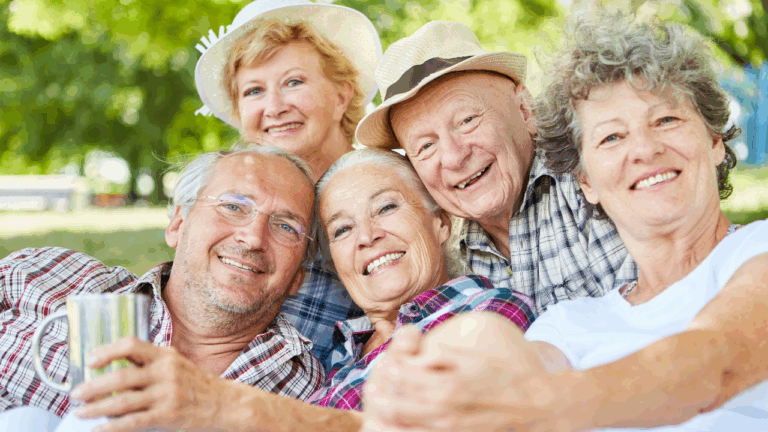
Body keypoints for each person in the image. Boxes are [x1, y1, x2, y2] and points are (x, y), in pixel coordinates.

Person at [362, 14, 768, 432]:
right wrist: (427, 385)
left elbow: (719, 359)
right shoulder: (570, 320)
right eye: (612, 138)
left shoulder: (757, 250)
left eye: (667, 120)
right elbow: (497, 353)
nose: (644, 150)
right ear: (587, 179)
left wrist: (540, 404)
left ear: (715, 141)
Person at [70, 148, 535, 432]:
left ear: (439, 223)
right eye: (342, 228)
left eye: (387, 207)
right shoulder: (328, 354)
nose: (366, 236)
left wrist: (224, 405)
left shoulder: (487, 309)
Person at [0, 145, 323, 422]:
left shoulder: (307, 397)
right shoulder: (47, 278)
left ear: (298, 276)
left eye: (285, 227)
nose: (253, 237)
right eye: (234, 206)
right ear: (178, 225)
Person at [355, 20, 637, 315]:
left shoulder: (592, 176)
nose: (453, 157)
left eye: (467, 121)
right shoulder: (439, 257)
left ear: (526, 110)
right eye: (426, 146)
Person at [194, 0, 382, 368]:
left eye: (293, 82)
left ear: (342, 97)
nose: (274, 107)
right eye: (253, 91)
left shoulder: (383, 190)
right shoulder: (227, 204)